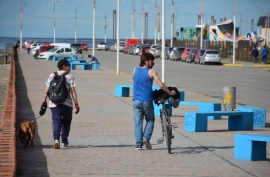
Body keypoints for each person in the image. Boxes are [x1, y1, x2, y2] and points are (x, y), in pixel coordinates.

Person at [132, 53, 176, 150]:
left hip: (136, 101)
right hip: (147, 101)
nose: (152, 62)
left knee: (138, 123)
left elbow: (135, 80)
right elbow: (161, 84)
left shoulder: (135, 70)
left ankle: (138, 145)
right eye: (151, 60)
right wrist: (170, 92)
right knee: (150, 120)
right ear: (145, 61)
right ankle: (146, 139)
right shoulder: (151, 72)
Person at [41, 58, 80, 149]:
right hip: (67, 104)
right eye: (68, 65)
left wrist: (44, 101)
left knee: (56, 121)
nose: (69, 67)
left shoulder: (52, 75)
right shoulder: (69, 76)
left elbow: (47, 90)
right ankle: (64, 141)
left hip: (54, 103)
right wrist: (76, 104)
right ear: (64, 66)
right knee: (66, 122)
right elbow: (73, 91)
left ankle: (56, 140)